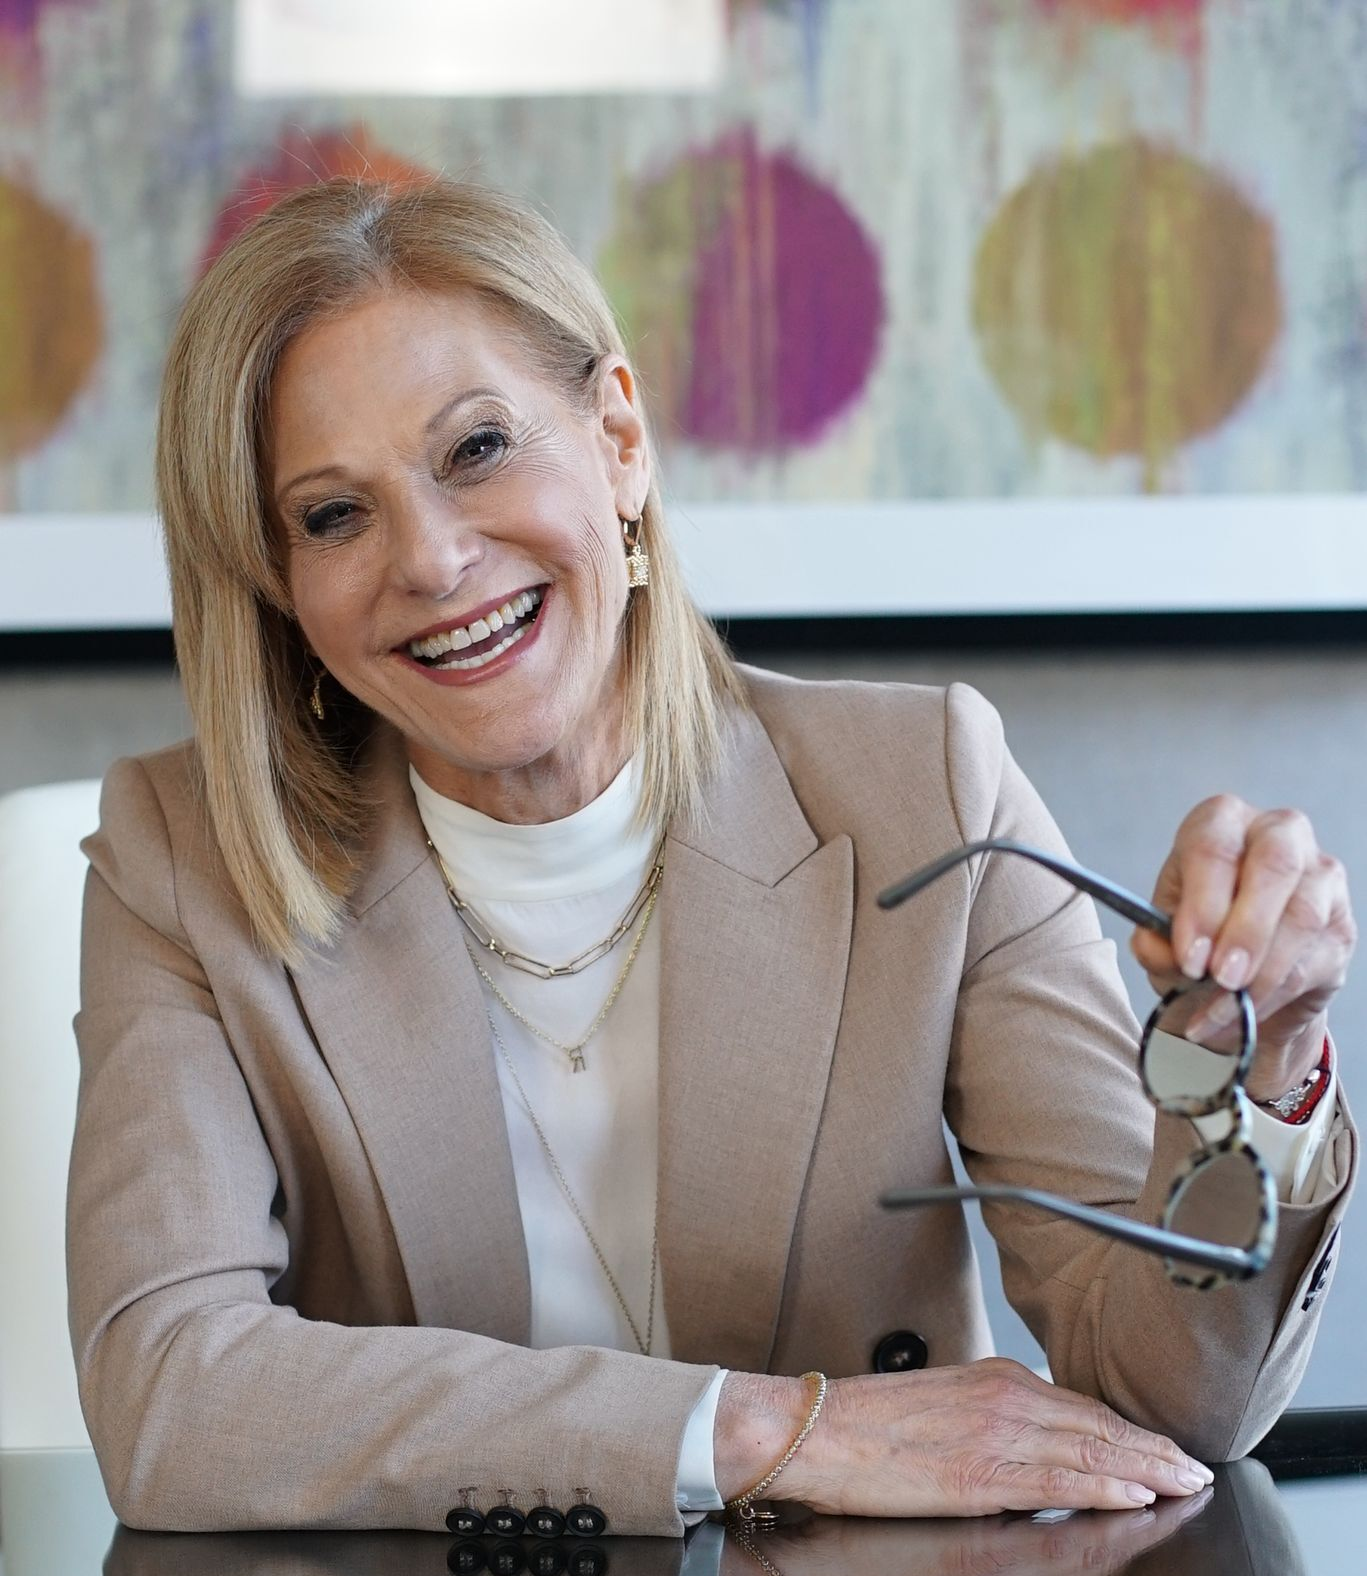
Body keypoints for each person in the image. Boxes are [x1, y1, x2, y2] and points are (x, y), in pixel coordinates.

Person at [67, 176, 1356, 1538]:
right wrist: (755, 1429)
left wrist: (1258, 1072)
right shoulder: (180, 857)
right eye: (334, 515)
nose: (434, 560)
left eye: (479, 448)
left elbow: (1174, 1402)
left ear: (617, 437)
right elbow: (169, 1395)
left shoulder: (925, 788)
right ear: (278, 586)